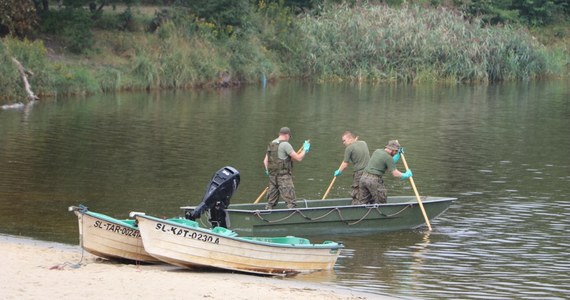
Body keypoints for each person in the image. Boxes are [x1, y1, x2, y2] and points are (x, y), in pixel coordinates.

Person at [263, 127, 310, 210]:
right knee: (291, 202)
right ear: (286, 135)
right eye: (289, 136)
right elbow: (298, 158)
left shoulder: (272, 144)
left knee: (270, 203)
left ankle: (266, 216)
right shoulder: (285, 145)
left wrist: (268, 171)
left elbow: (265, 161)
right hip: (284, 178)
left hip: (272, 177)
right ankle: (291, 218)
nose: (288, 139)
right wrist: (305, 150)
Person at [357, 140, 412, 205]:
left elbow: (386, 162)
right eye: (396, 151)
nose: (396, 152)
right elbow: (395, 173)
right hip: (373, 180)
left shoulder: (377, 151)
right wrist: (405, 175)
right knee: (381, 200)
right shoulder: (388, 158)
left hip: (363, 178)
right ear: (392, 150)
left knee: (364, 202)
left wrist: (398, 155)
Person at [332, 131, 370, 204]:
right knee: (367, 192)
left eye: (344, 140)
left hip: (359, 174)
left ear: (350, 139)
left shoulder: (349, 148)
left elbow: (345, 164)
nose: (343, 143)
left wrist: (339, 171)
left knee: (356, 193)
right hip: (370, 173)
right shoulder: (364, 143)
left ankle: (355, 208)